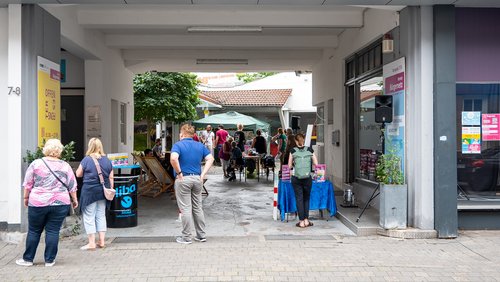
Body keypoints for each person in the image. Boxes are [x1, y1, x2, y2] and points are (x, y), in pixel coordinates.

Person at [16, 139, 78, 267]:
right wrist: (75, 199)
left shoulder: (36, 164)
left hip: (38, 202)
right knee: (53, 231)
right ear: (59, 150)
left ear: (46, 149)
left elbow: (28, 183)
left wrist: (26, 198)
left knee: (34, 231)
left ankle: (28, 259)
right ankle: (49, 260)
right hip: (60, 203)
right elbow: (72, 185)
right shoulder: (65, 165)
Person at [170, 124, 214, 244]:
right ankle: (201, 235)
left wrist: (179, 173)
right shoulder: (200, 145)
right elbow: (210, 158)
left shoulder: (178, 145)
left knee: (185, 209)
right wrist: (203, 174)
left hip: (183, 179)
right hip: (197, 179)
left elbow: (173, 158)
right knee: (197, 207)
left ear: (182, 134)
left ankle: (186, 237)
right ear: (193, 134)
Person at [76, 138, 114, 250]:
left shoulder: (86, 160)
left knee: (89, 216)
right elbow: (111, 177)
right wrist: (110, 188)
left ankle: (91, 243)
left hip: (90, 192)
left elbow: (78, 174)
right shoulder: (107, 160)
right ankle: (102, 241)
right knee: (101, 215)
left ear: (90, 146)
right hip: (103, 191)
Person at [288, 133, 318, 228]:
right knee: (306, 199)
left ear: (296, 141)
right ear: (303, 140)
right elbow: (316, 163)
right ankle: (306, 220)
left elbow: (289, 166)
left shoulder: (293, 151)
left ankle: (301, 222)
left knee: (299, 199)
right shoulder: (309, 150)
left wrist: (294, 164)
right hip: (307, 178)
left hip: (296, 178)